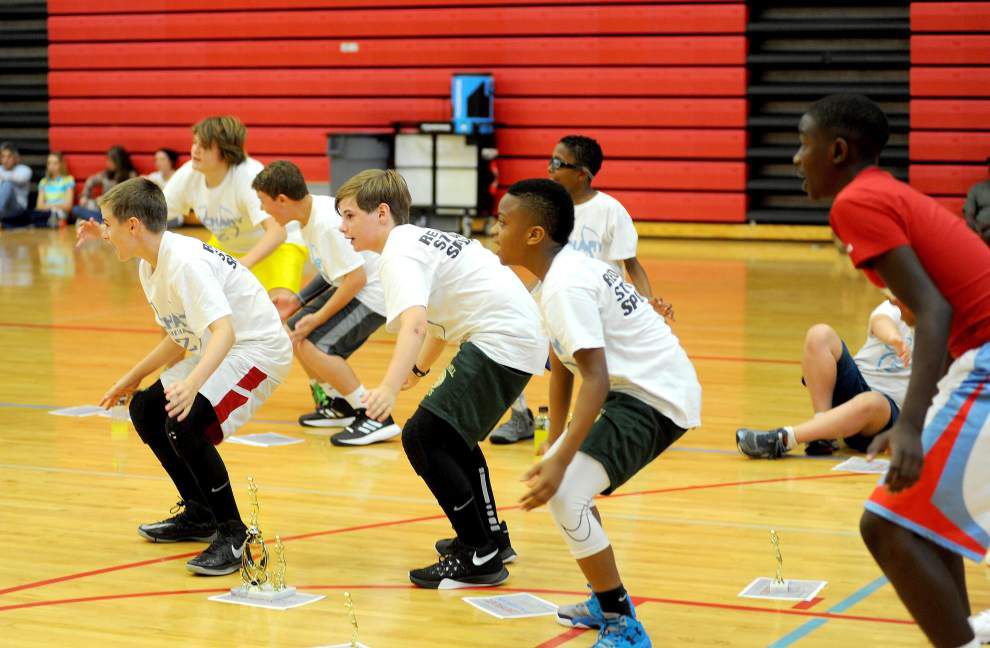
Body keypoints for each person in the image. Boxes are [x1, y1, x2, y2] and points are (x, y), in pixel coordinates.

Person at [795, 93, 990, 647]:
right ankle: (964, 634)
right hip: (973, 360)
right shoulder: (884, 194)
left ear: (837, 149)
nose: (795, 159)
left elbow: (933, 309)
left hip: (986, 359)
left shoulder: (856, 202)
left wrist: (910, 425)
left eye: (803, 144)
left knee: (885, 524)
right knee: (924, 518)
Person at [493, 178, 700, 648]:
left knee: (566, 493)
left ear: (534, 234)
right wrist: (556, 438)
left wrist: (561, 461)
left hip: (654, 395)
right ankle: (602, 597)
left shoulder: (566, 284)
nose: (495, 229)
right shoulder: (558, 276)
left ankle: (623, 623)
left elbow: (596, 376)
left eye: (504, 221)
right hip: (636, 388)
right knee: (572, 489)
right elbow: (562, 361)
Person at [337, 169, 547, 589]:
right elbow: (435, 323)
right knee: (451, 436)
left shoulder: (399, 253)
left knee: (423, 436)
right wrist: (416, 371)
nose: (342, 228)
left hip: (502, 340)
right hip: (515, 337)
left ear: (381, 213)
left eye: (348, 216)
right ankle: (489, 539)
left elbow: (415, 324)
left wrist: (389, 389)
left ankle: (479, 554)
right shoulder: (416, 240)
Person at [77, 177, 292, 576]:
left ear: (134, 226)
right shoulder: (149, 265)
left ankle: (234, 534)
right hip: (216, 345)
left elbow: (225, 332)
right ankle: (199, 512)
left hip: (256, 349)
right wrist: (131, 378)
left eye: (108, 224)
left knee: (185, 420)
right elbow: (179, 342)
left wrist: (192, 386)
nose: (104, 233)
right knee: (145, 407)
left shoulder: (185, 264)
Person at [490, 134, 672, 445]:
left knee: (588, 369)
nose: (549, 168)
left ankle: (603, 421)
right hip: (551, 298)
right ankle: (520, 416)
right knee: (503, 338)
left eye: (558, 163)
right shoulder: (547, 210)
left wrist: (645, 306)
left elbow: (632, 266)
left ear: (582, 174)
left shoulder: (610, 211)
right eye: (550, 160)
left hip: (593, 306)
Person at [252, 160, 398, 445]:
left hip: (375, 293)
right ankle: (337, 404)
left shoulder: (325, 224)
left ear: (281, 200)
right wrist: (298, 300)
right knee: (293, 332)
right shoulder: (310, 216)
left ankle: (375, 416)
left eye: (263, 202)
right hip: (356, 286)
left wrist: (317, 319)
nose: (262, 210)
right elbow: (333, 270)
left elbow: (356, 279)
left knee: (315, 343)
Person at [736, 296, 914, 458]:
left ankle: (783, 439)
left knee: (872, 401)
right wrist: (894, 338)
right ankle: (822, 433)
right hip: (856, 384)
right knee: (820, 334)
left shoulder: (938, 330)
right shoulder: (899, 304)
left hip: (885, 417)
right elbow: (880, 321)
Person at [162, 116, 307, 310]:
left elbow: (277, 232)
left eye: (204, 145)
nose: (195, 149)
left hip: (279, 246)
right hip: (228, 246)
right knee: (185, 307)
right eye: (195, 142)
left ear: (226, 151)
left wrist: (241, 265)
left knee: (279, 312)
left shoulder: (249, 175)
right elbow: (156, 214)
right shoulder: (188, 174)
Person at [72, 145, 137, 223]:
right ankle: (102, 222)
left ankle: (101, 222)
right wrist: (84, 196)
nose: (107, 163)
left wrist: (105, 199)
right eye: (107, 160)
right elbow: (90, 181)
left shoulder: (130, 175)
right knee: (76, 209)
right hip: (101, 210)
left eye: (110, 161)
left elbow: (130, 198)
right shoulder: (106, 174)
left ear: (119, 161)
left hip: (118, 211)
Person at [29, 151, 75, 227]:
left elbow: (68, 206)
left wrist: (50, 206)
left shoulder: (68, 180)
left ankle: (52, 220)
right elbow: (39, 205)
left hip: (60, 211)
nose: (51, 166)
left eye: (55, 163)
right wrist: (53, 206)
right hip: (47, 211)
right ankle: (49, 220)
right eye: (49, 163)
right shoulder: (43, 182)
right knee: (33, 213)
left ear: (61, 164)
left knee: (58, 213)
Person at [0, 142, 32, 227]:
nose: (6, 160)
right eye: (3, 156)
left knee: (7, 184)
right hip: (3, 211)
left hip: (18, 209)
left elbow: (20, 178)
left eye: (9, 156)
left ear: (15, 158)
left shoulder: (24, 170)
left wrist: (2, 176)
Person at [964, 156, 990, 246]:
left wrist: (986, 225)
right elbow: (969, 215)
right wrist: (976, 228)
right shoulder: (976, 189)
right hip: (982, 234)